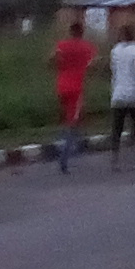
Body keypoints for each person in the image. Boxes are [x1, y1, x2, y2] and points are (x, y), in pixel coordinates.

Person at [50, 22, 97, 172]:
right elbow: (93, 64)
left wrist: (60, 66)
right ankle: (64, 155)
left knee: (68, 117)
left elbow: (51, 59)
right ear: (82, 32)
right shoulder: (87, 47)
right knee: (73, 121)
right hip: (76, 88)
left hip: (61, 86)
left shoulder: (62, 45)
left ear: (70, 31)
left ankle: (67, 142)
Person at [106, 27, 135, 171]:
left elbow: (112, 69)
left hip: (118, 93)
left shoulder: (115, 50)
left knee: (117, 127)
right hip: (134, 92)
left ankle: (114, 159)